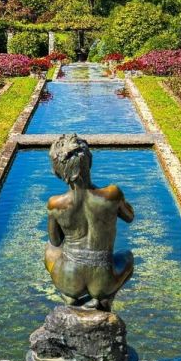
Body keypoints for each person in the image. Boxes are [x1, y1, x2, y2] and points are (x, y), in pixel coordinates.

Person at [45, 133, 134, 311]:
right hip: (104, 281)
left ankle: (69, 297)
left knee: (50, 249)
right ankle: (105, 298)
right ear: (89, 162)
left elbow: (55, 241)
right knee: (127, 256)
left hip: (68, 280)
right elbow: (129, 217)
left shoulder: (55, 203)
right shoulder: (112, 194)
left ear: (59, 171)